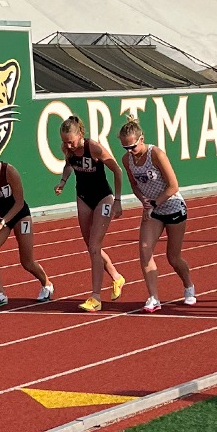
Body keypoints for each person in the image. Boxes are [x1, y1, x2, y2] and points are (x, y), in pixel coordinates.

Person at [118, 118, 195, 313]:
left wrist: (154, 203)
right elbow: (134, 183)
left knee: (173, 257)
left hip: (173, 206)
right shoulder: (127, 159)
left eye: (133, 146)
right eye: (125, 147)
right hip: (152, 209)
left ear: (141, 139)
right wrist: (143, 201)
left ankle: (189, 287)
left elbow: (173, 186)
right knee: (144, 251)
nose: (129, 151)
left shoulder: (157, 154)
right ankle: (153, 297)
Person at [53, 117, 126, 312]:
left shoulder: (93, 147)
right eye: (65, 141)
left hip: (103, 198)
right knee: (91, 247)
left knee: (95, 246)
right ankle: (116, 277)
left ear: (80, 134)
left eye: (71, 141)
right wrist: (63, 181)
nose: (68, 144)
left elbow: (117, 170)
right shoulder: (67, 149)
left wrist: (118, 200)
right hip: (83, 197)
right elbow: (69, 165)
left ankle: (95, 297)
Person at [0, 141, 54, 308]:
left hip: (19, 215)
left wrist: (2, 223)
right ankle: (1, 293)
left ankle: (47, 284)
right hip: (0, 217)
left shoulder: (9, 172)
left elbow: (18, 203)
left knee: (27, 261)